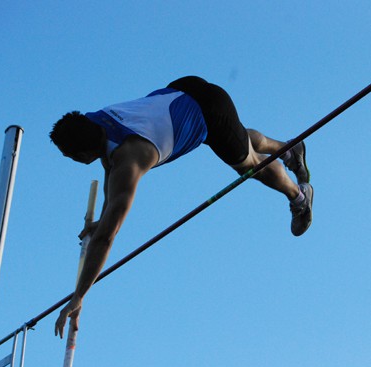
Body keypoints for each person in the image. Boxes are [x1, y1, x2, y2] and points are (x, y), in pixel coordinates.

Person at [51, 76, 313, 338]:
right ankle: (290, 150)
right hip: (185, 87)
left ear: (82, 153)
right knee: (236, 140)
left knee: (250, 165)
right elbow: (110, 167)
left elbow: (107, 238)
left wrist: (79, 295)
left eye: (71, 156)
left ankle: (299, 196)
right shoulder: (94, 121)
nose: (72, 160)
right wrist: (103, 216)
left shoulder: (130, 160)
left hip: (209, 113)